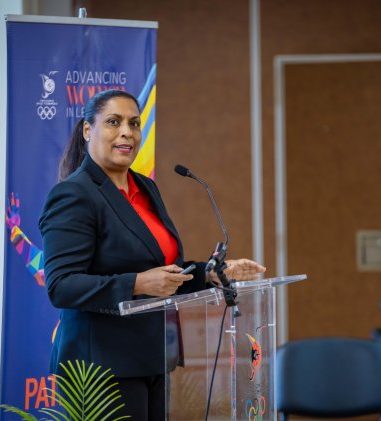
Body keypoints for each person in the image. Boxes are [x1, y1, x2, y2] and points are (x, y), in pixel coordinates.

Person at [38, 89, 266, 420]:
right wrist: (137, 283)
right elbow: (62, 286)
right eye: (113, 122)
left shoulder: (146, 188)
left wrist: (211, 272)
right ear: (88, 130)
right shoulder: (73, 195)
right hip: (100, 367)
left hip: (153, 358)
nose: (127, 132)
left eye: (134, 123)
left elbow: (162, 271)